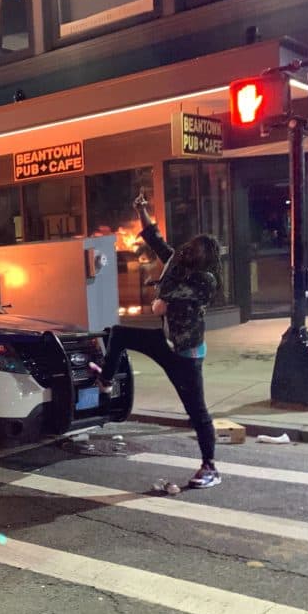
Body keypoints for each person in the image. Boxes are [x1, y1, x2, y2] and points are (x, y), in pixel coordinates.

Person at [91, 194, 223, 488]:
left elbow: (166, 300)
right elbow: (155, 239)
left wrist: (161, 293)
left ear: (205, 257)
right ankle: (106, 381)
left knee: (196, 410)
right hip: (165, 341)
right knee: (119, 333)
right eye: (188, 248)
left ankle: (210, 467)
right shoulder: (179, 263)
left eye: (193, 251)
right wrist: (142, 209)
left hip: (186, 353)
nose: (187, 252)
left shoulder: (206, 280)